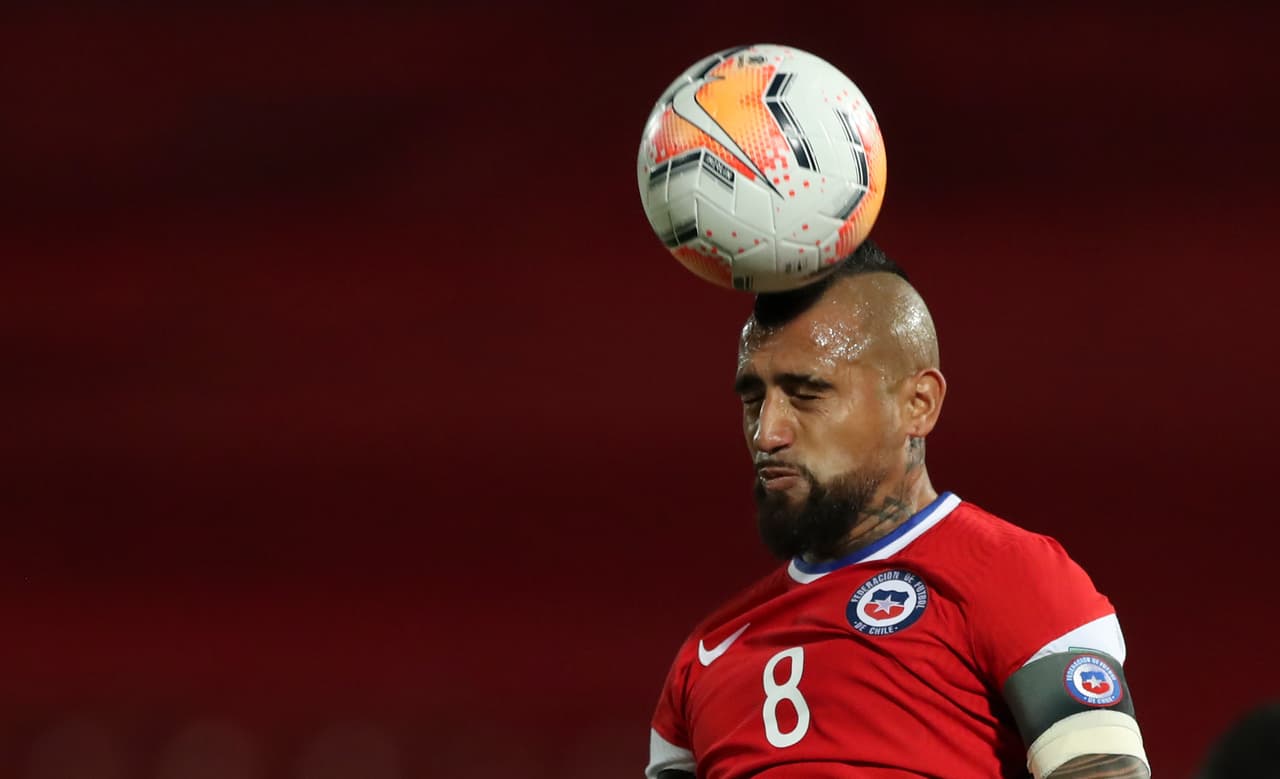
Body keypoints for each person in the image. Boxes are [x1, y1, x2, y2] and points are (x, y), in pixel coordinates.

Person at [645, 241, 1150, 778]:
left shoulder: (1014, 578)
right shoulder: (705, 655)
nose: (768, 433)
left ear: (918, 405)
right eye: (753, 400)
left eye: (807, 394)